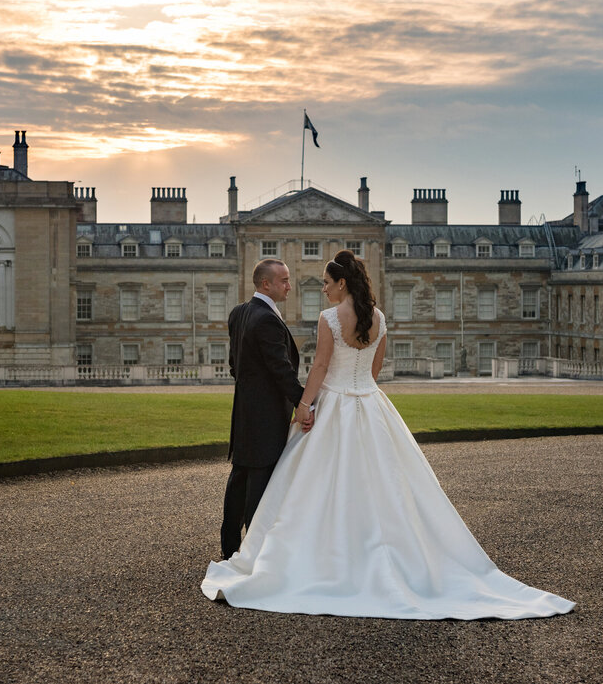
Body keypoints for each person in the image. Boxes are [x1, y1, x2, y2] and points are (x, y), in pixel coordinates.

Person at [202, 250, 574, 620]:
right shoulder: (378, 318)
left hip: (333, 404)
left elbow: (320, 365)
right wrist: (356, 392)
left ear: (342, 283)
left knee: (312, 485)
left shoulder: (329, 318)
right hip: (370, 404)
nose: (323, 290)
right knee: (385, 485)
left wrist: (306, 404)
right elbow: (374, 371)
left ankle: (305, 555)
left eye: (327, 284)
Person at [218, 258, 307, 560]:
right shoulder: (267, 319)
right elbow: (281, 370)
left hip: (243, 413)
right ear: (265, 284)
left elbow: (235, 366)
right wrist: (304, 403)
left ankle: (230, 547)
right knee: (258, 486)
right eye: (283, 280)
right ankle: (253, 554)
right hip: (265, 418)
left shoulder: (239, 313)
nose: (289, 286)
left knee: (239, 480)